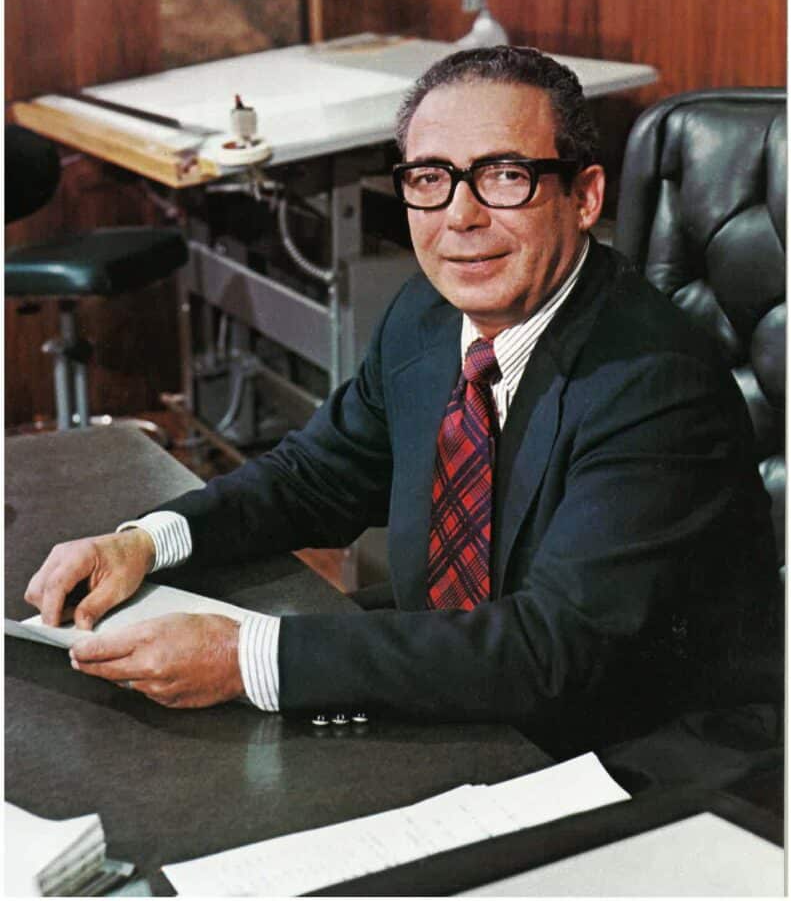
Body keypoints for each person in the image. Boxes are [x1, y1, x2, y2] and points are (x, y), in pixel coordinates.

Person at [25, 47, 780, 777]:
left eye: (504, 176)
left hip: (642, 745)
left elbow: (554, 650)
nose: (459, 217)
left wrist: (246, 659)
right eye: (429, 178)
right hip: (469, 696)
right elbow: (316, 476)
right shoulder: (427, 311)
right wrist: (150, 543)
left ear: (583, 196)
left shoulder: (654, 378)